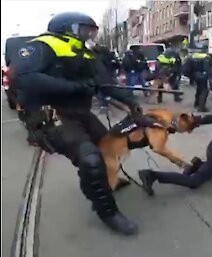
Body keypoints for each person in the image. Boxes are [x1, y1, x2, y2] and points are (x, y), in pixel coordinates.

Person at [10, 12, 142, 235]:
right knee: (90, 158)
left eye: (91, 31)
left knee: (111, 145)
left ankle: (97, 181)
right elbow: (23, 77)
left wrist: (131, 103)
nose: (89, 34)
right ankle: (108, 212)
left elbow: (104, 84)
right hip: (52, 117)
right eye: (84, 29)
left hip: (80, 114)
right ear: (67, 28)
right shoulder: (42, 46)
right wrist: (75, 87)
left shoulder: (86, 53)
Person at [183, 43, 212, 112]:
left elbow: (187, 67)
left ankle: (196, 103)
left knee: (199, 89)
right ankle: (201, 107)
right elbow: (208, 68)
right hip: (203, 76)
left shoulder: (193, 56)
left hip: (195, 75)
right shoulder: (206, 57)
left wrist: (191, 76)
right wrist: (209, 76)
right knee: (204, 91)